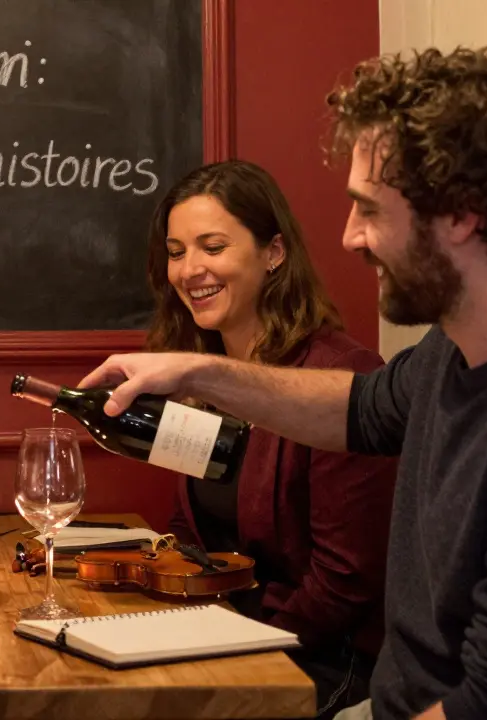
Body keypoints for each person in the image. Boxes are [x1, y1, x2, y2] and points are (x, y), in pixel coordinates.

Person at [80, 47, 487, 720]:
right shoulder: (453, 350)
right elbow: (357, 407)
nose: (350, 236)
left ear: (463, 212)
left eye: (369, 209)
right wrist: (194, 369)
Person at [147, 159, 397, 717]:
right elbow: (190, 532)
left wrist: (245, 652)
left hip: (325, 659)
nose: (190, 270)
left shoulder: (342, 376)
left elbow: (346, 581)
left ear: (274, 254)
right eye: (177, 250)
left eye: (213, 247)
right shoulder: (199, 373)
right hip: (234, 639)